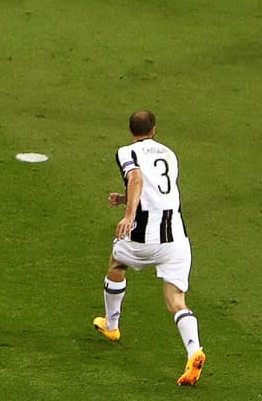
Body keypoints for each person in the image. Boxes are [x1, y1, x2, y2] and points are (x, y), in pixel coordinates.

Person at [92, 110, 205, 386]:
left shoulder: (126, 152)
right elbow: (159, 191)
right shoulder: (169, 153)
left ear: (131, 130)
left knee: (117, 263)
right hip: (176, 238)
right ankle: (194, 350)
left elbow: (137, 179)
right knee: (176, 300)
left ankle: (112, 325)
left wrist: (128, 215)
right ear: (154, 129)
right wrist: (124, 199)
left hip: (144, 237)